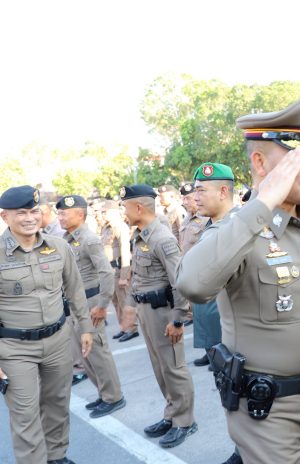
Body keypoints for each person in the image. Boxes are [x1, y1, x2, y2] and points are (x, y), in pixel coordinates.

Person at [177, 96, 300, 463]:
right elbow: (193, 284)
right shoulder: (238, 230)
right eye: (298, 158)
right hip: (267, 411)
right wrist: (261, 205)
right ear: (260, 163)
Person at [0, 186, 93, 464]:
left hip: (57, 341)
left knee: (57, 404)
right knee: (25, 415)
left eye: (34, 211)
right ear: (5, 217)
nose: (30, 218)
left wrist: (85, 327)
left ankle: (56, 455)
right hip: (15, 349)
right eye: (21, 213)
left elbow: (75, 289)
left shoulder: (59, 246)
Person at [120, 184, 197, 448]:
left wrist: (178, 319)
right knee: (160, 368)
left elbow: (180, 282)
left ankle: (185, 421)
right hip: (147, 311)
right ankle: (172, 414)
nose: (124, 213)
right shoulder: (140, 236)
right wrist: (130, 307)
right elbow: (138, 277)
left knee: (174, 368)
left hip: (164, 312)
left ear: (138, 208)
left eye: (125, 207)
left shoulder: (162, 238)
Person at [56, 194, 126, 418]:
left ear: (79, 214)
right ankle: (103, 394)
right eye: (59, 214)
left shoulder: (89, 239)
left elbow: (106, 273)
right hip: (76, 304)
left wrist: (103, 305)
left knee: (98, 352)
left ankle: (114, 397)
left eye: (64, 213)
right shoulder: (67, 239)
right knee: (85, 353)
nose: (60, 217)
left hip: (91, 302)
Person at [188, 166, 237, 368]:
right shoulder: (210, 225)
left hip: (235, 334)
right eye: (195, 191)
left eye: (201, 191)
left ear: (223, 192)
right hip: (213, 327)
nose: (195, 197)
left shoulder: (241, 227)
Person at [101, 200, 139, 342]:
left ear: (113, 211)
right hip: (109, 269)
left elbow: (125, 250)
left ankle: (131, 328)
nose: (103, 214)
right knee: (116, 302)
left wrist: (124, 275)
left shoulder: (120, 226)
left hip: (118, 269)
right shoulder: (106, 227)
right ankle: (123, 327)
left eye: (105, 211)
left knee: (125, 301)